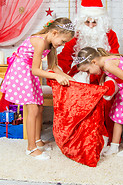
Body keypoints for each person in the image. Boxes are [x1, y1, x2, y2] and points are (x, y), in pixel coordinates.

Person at [0, 18, 75, 160]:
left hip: (29, 73)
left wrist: (69, 78)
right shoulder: (40, 41)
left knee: (39, 108)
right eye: (63, 41)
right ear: (54, 33)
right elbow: (35, 70)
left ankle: (37, 141)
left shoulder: (51, 45)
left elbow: (53, 67)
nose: (63, 44)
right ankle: (31, 148)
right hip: (21, 72)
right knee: (33, 109)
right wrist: (56, 78)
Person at [57, 0, 120, 146]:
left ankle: (102, 137)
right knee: (75, 97)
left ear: (101, 21)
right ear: (81, 21)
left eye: (95, 22)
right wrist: (59, 73)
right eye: (87, 21)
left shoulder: (110, 35)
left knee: (105, 99)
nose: (91, 25)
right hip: (81, 76)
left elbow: (115, 58)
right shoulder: (76, 35)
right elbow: (64, 57)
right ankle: (78, 135)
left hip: (102, 76)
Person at [76, 47, 123, 157]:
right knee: (117, 117)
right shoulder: (104, 62)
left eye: (88, 70)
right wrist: (102, 78)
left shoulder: (108, 65)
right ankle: (114, 145)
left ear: (93, 62)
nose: (89, 74)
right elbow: (110, 72)